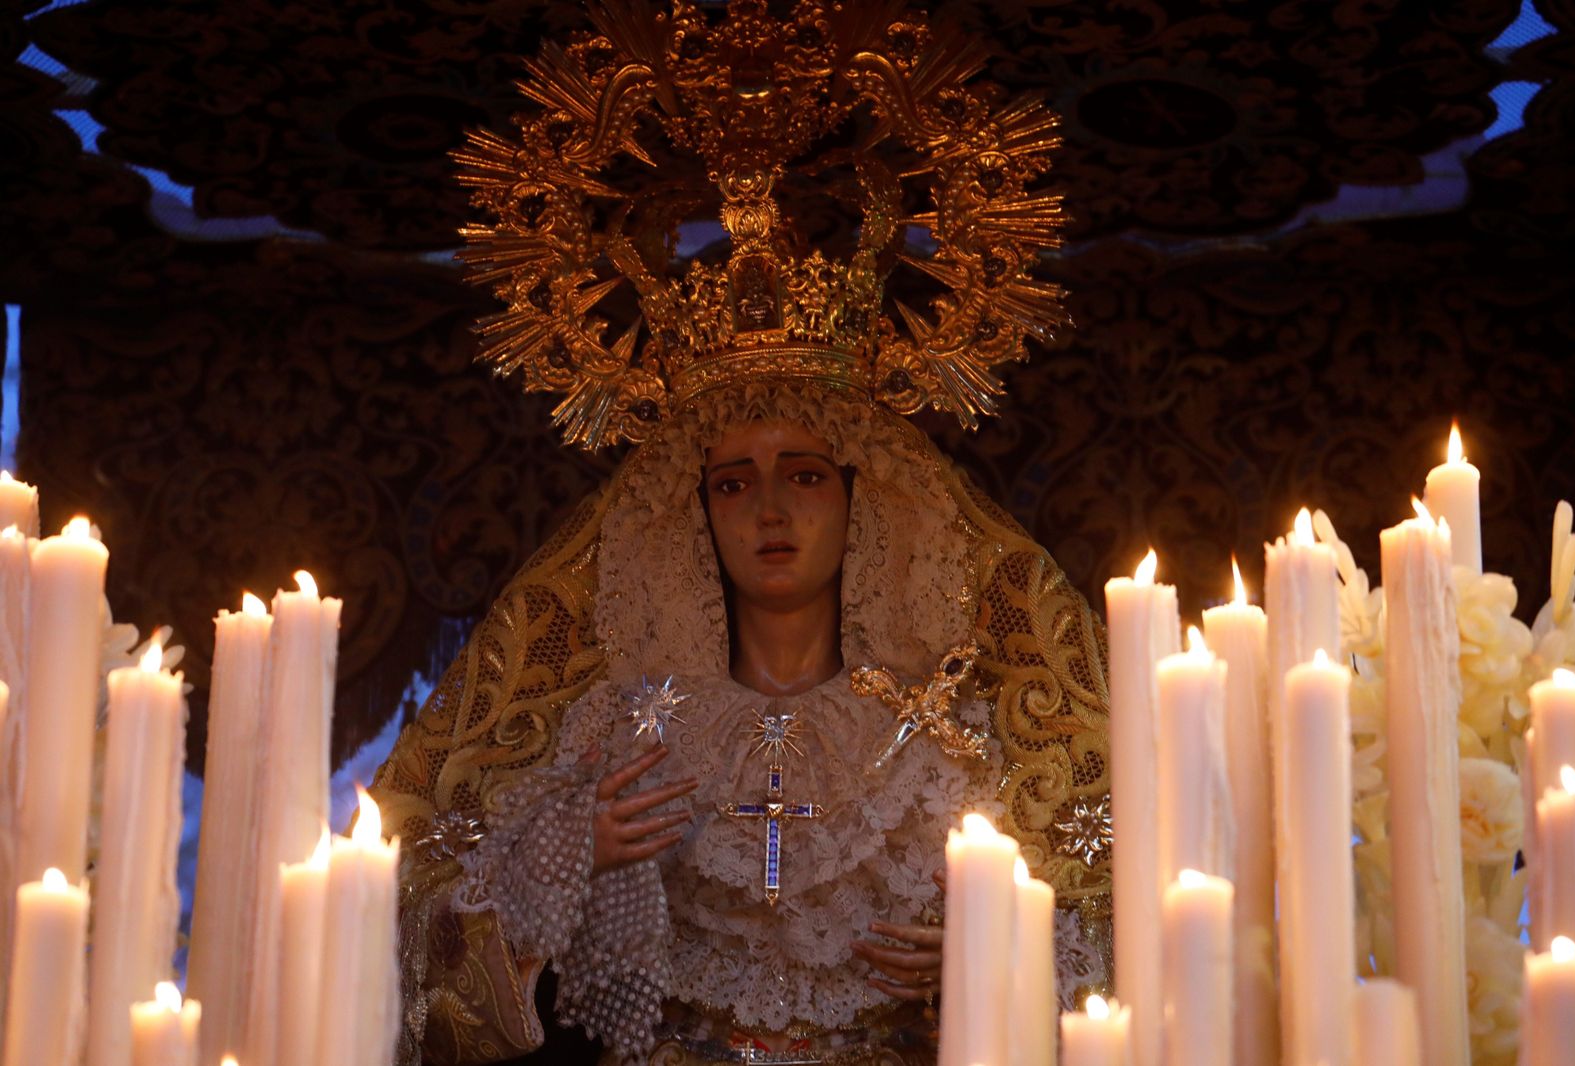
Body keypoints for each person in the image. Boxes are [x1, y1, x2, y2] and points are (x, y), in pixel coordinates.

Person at [368, 4, 1113, 1063]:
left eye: (804, 475)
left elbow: (1129, 931)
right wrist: (558, 861)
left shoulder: (951, 739)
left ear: (861, 501)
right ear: (694, 514)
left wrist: (996, 959)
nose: (769, 510)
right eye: (732, 483)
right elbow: (405, 935)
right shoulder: (619, 730)